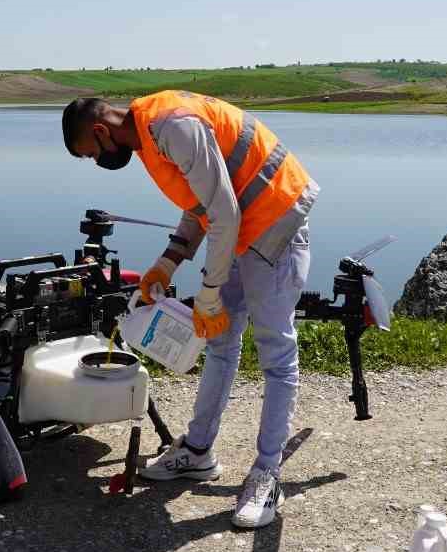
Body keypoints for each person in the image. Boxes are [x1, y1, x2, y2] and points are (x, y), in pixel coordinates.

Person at [61, 91, 318, 528]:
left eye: (92, 153)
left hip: (276, 222)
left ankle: (267, 474)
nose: (98, 162)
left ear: (101, 130)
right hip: (239, 229)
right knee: (220, 341)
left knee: (276, 354)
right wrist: (169, 260)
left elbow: (222, 213)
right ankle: (198, 451)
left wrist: (210, 291)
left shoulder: (173, 126)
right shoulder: (147, 135)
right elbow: (201, 206)